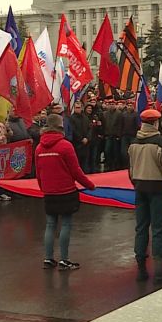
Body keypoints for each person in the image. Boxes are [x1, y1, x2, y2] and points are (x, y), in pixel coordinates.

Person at [128, 109, 162, 283]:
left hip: (140, 189)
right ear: (155, 123)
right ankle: (159, 273)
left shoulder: (134, 142)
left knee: (141, 228)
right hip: (157, 190)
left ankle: (141, 270)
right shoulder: (160, 142)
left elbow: (130, 169)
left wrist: (136, 184)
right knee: (158, 229)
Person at [36, 114, 96, 271]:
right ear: (60, 126)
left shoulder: (39, 148)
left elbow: (38, 171)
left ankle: (48, 258)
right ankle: (64, 259)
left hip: (49, 192)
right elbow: (76, 171)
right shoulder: (65, 146)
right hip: (66, 191)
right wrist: (89, 185)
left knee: (50, 224)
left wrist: (43, 187)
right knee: (66, 224)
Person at [69, 101, 91, 172]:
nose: (78, 109)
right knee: (77, 161)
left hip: (86, 144)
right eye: (76, 108)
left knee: (85, 161)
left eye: (79, 107)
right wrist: (81, 139)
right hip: (77, 143)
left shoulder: (86, 118)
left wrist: (87, 138)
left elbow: (90, 129)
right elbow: (73, 130)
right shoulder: (72, 118)